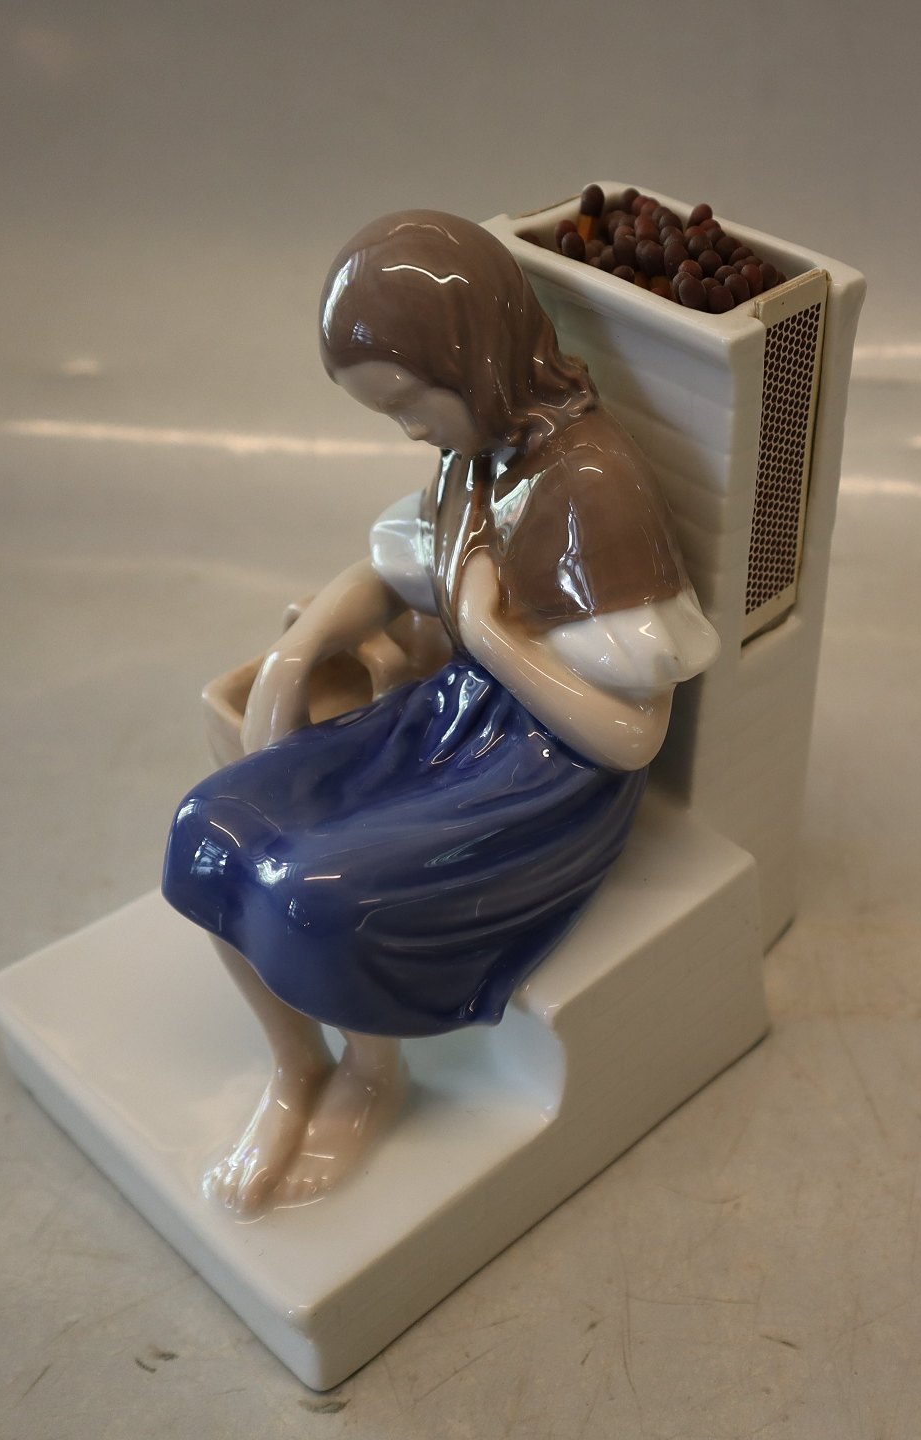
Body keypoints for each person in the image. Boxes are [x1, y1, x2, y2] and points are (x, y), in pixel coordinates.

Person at [162, 211, 720, 1214]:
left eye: (410, 405)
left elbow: (633, 736)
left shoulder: (591, 489)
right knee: (211, 827)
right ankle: (296, 1066)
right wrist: (299, 650)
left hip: (546, 774)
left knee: (317, 894)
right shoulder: (478, 452)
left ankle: (373, 1076)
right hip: (456, 718)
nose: (409, 431)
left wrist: (495, 637)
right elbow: (398, 571)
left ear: (474, 361)